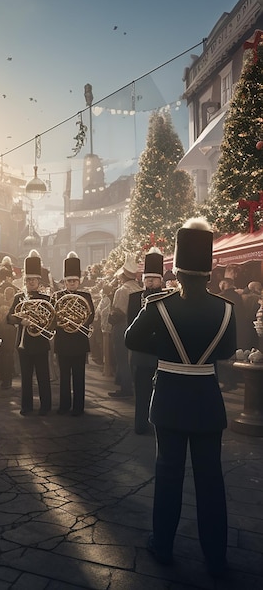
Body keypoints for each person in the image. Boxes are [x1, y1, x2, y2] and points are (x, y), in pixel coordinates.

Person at [125, 217, 236, 578]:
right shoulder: (225, 308)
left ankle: (164, 545)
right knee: (211, 480)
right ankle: (215, 555)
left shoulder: (159, 306)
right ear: (208, 270)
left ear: (175, 268)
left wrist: (166, 347)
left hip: (170, 397)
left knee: (168, 476)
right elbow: (227, 351)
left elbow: (131, 339)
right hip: (207, 398)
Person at [7, 252, 53, 415]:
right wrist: (21, 321)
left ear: (38, 281)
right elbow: (9, 318)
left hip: (40, 342)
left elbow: (52, 320)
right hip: (24, 342)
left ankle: (46, 406)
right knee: (25, 378)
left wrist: (39, 322)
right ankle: (26, 407)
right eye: (27, 280)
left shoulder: (46, 299)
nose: (30, 282)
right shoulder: (19, 298)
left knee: (43, 376)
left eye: (33, 280)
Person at [126, 248, 165, 435]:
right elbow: (130, 327)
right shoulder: (134, 298)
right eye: (147, 278)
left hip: (161, 354)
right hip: (141, 353)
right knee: (141, 392)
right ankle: (141, 424)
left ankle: (159, 423)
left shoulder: (168, 298)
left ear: (161, 280)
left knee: (161, 393)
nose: (150, 281)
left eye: (154, 278)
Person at [51, 252, 95, 416]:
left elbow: (91, 316)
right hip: (63, 341)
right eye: (69, 281)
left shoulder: (86, 295)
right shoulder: (57, 296)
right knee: (64, 377)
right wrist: (64, 322)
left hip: (79, 341)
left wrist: (79, 323)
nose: (72, 283)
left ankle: (78, 407)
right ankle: (64, 406)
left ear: (79, 280)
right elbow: (52, 317)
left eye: (74, 281)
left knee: (78, 376)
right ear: (64, 281)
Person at [109, 253, 142, 397]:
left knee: (122, 358)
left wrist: (110, 318)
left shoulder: (122, 291)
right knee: (131, 358)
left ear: (123, 276)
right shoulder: (139, 289)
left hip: (122, 327)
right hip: (135, 326)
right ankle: (128, 383)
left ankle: (125, 388)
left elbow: (118, 313)